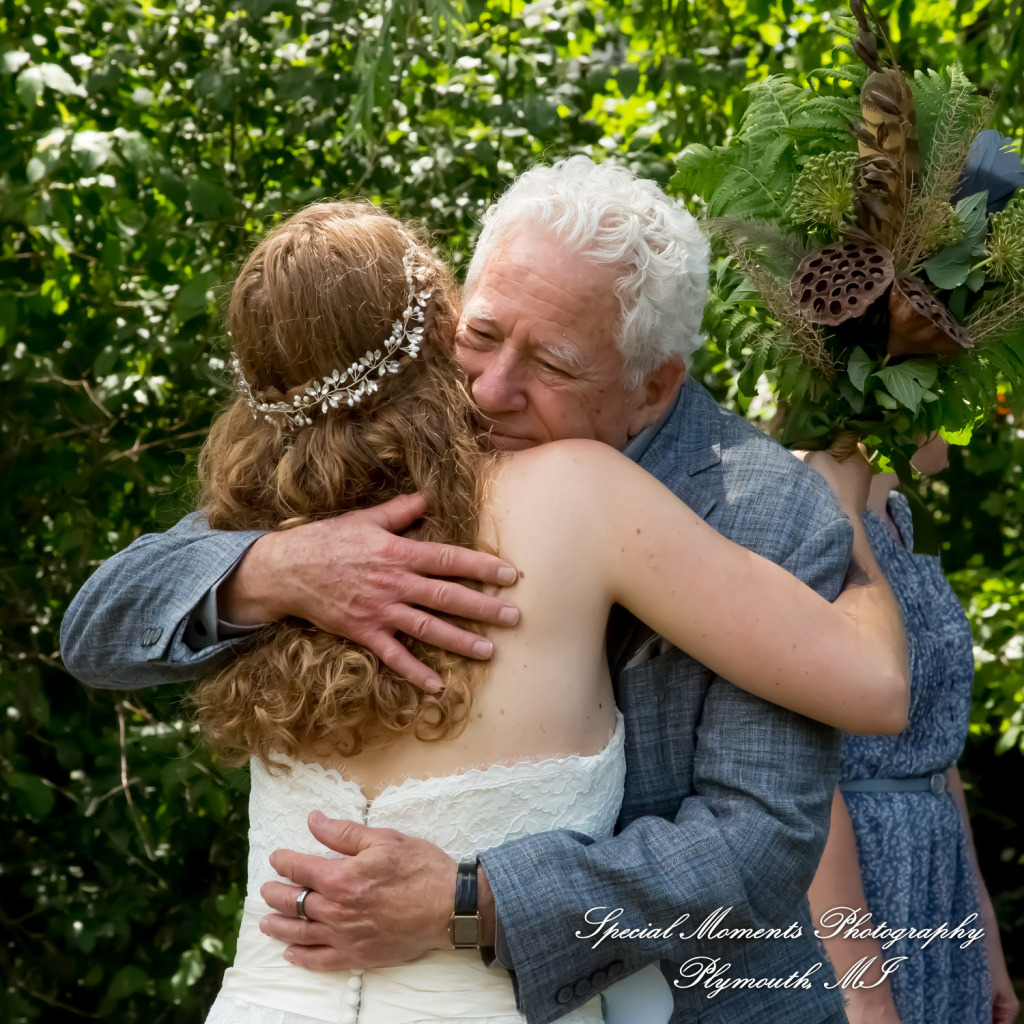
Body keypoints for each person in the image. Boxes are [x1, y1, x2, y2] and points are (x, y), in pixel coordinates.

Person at [61, 157, 903, 1024]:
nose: (491, 392)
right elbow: (100, 629)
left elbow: (756, 847)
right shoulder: (390, 450)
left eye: (554, 366)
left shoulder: (763, 509)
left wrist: (469, 902)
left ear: (652, 387)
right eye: (483, 334)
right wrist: (275, 570)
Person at [808, 437, 1019, 1024]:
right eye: (963, 380)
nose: (975, 419)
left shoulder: (901, 517)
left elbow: (935, 748)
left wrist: (983, 936)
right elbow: (801, 766)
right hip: (861, 885)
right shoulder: (811, 512)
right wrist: (864, 990)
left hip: (937, 873)